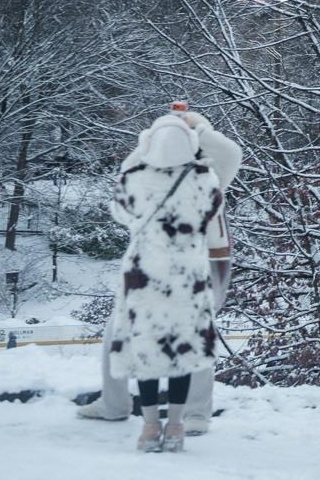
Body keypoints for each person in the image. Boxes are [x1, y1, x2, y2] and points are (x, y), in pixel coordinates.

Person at [82, 105, 240, 433]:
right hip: (153, 262)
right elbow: (124, 180)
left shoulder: (208, 172)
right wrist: (152, 140)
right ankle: (114, 403)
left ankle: (196, 414)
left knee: (196, 332)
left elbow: (230, 152)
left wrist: (195, 125)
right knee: (118, 329)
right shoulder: (151, 174)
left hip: (205, 259)